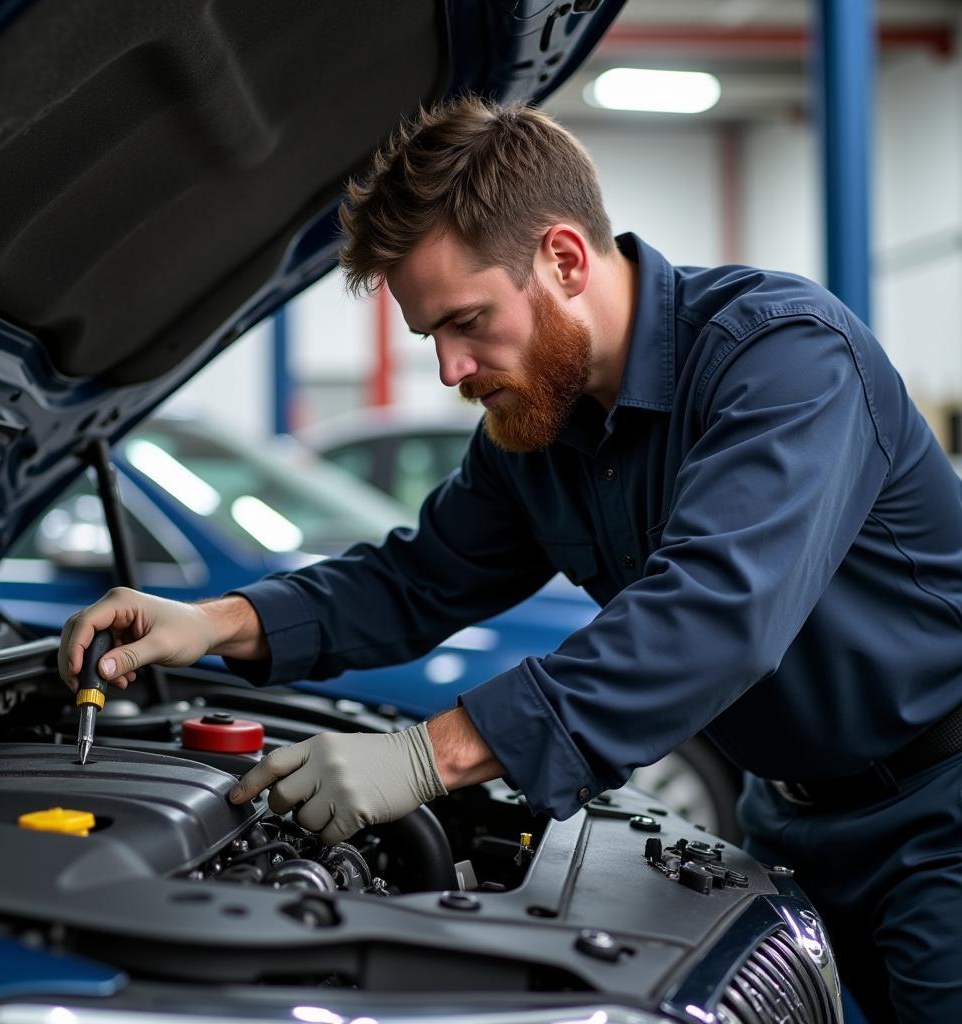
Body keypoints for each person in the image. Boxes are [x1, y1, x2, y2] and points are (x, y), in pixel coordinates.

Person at [59, 96, 962, 1022]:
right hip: (791, 819)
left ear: (564, 259)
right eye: (431, 339)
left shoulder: (781, 358)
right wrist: (214, 622)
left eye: (466, 322)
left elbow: (715, 614)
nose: (450, 370)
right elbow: (416, 577)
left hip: (941, 813)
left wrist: (424, 756)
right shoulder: (535, 430)